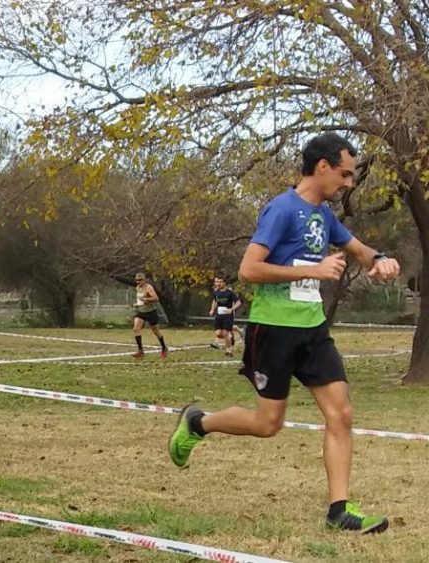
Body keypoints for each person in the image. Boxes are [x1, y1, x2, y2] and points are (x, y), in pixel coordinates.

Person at [168, 133, 401, 534]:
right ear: (322, 166)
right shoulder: (281, 209)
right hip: (273, 330)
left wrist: (379, 260)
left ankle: (339, 511)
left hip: (312, 330)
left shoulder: (324, 216)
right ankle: (197, 423)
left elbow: (359, 249)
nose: (349, 183)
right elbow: (249, 270)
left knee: (341, 414)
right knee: (268, 423)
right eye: (345, 174)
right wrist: (311, 270)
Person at [131, 272, 168, 358]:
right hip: (141, 311)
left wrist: (145, 299)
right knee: (136, 329)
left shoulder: (149, 287)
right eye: (137, 280)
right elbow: (140, 301)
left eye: (140, 280)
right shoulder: (137, 288)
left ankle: (164, 347)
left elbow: (156, 298)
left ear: (144, 280)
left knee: (155, 331)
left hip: (150, 312)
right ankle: (140, 350)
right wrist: (137, 304)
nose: (138, 282)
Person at [208, 275, 242, 355]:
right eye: (217, 282)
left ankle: (229, 350)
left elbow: (239, 302)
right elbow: (215, 301)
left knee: (226, 333)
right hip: (219, 315)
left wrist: (232, 309)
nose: (218, 284)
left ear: (224, 283)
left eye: (220, 282)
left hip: (227, 316)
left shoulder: (230, 293)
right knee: (218, 333)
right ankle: (232, 336)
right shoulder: (216, 292)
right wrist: (212, 309)